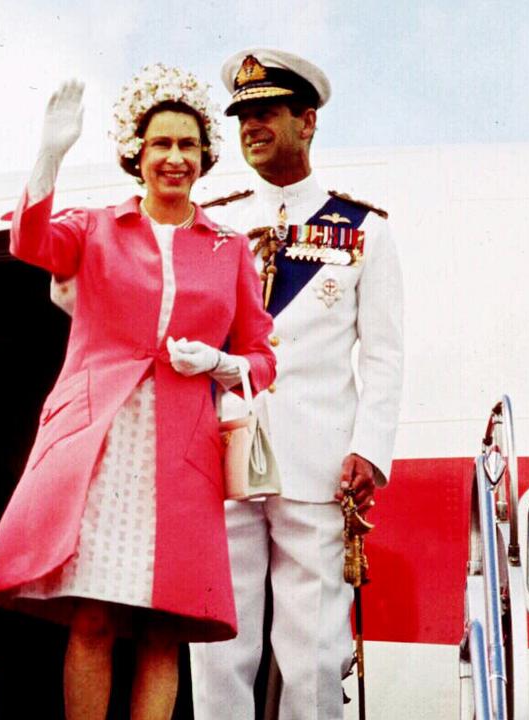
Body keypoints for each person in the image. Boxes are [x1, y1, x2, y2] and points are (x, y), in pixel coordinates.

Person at [0, 65, 277, 720]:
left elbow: (261, 355)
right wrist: (49, 155)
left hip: (182, 454)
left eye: (188, 145)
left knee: (165, 630)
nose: (174, 157)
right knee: (92, 620)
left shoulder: (228, 249)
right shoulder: (95, 227)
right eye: (161, 143)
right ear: (135, 153)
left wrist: (222, 364)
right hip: (102, 444)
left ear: (205, 157)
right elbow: (28, 242)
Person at [188, 49, 404, 720]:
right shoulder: (212, 221)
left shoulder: (364, 231)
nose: (252, 127)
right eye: (244, 117)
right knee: (218, 644)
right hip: (222, 455)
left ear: (306, 122)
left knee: (312, 650)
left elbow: (385, 355)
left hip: (316, 462)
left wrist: (370, 448)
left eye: (267, 114)